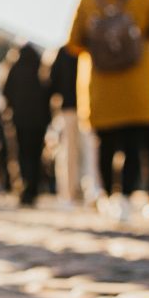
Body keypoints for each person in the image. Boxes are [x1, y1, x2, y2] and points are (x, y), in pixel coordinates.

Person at [67, 0, 149, 219]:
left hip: (100, 84)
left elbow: (74, 42)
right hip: (137, 84)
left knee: (105, 144)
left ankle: (106, 196)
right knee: (133, 145)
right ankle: (125, 197)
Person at [0, 42, 51, 206]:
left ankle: (24, 189)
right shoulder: (40, 69)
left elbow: (5, 92)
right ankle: (33, 190)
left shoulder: (14, 69)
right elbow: (48, 93)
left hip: (20, 121)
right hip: (38, 121)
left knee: (22, 155)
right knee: (36, 155)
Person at [47, 42, 81, 204]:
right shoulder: (86, 49)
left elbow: (52, 82)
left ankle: (70, 191)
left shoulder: (64, 51)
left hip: (69, 107)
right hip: (84, 107)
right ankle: (86, 190)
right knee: (86, 151)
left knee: (70, 151)